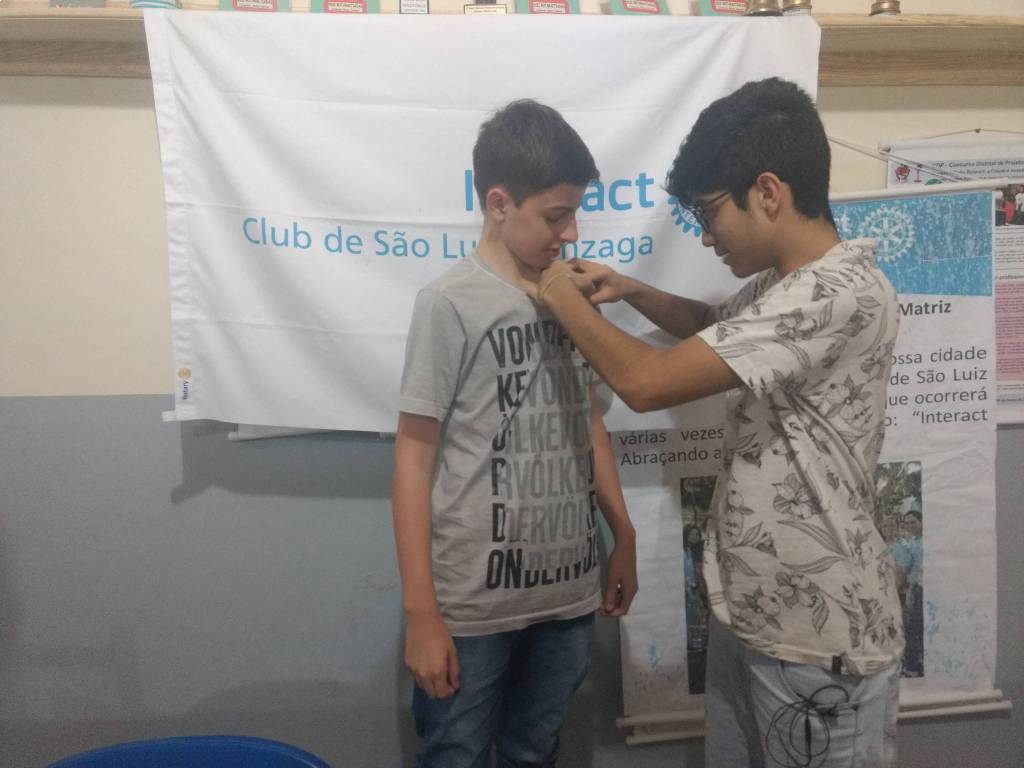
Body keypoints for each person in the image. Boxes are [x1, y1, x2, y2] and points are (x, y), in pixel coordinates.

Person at [529, 78, 905, 767]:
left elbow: (645, 384)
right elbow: (713, 326)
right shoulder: (783, 285)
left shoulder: (835, 291)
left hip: (816, 636)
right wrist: (631, 290)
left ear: (768, 192)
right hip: (754, 617)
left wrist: (559, 293)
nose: (706, 236)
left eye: (709, 213)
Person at [392, 99, 638, 768]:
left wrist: (622, 535)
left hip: (568, 596)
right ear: (499, 204)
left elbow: (590, 421)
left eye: (575, 213)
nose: (570, 233)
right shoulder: (449, 302)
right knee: (457, 753)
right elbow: (413, 457)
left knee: (534, 751)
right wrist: (421, 612)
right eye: (555, 216)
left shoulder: (573, 296)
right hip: (474, 607)